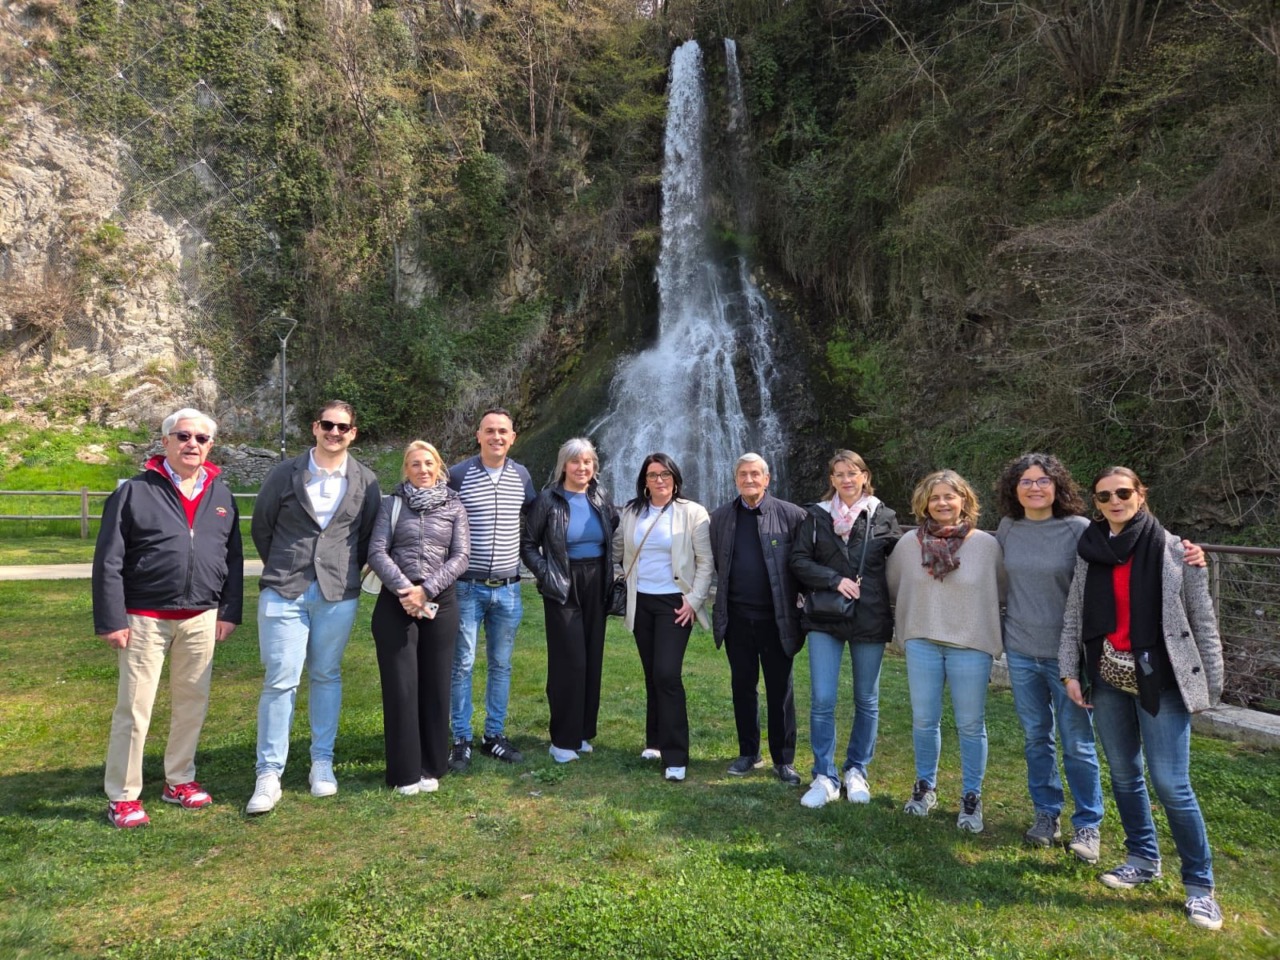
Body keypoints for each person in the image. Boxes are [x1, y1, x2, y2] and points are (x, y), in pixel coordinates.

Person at [997, 452, 1205, 862]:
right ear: (1014, 488)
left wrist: (1189, 553)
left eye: (1043, 480)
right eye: (1026, 481)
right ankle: (1046, 813)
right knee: (1037, 739)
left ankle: (1088, 823)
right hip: (1023, 651)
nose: (1035, 487)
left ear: (1058, 487)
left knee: (1078, 743)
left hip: (1074, 658)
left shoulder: (1080, 531)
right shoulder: (1007, 529)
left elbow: (1133, 553)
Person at [1060, 467, 1225, 931]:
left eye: (1123, 493)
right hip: (1107, 675)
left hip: (1164, 681)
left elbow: (1203, 620)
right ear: (1096, 502)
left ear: (1140, 494)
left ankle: (1199, 887)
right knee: (1125, 774)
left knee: (1171, 783)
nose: (1115, 501)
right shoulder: (1090, 550)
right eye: (1105, 496)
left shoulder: (1177, 551)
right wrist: (1069, 670)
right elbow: (1074, 614)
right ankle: (1142, 859)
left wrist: (1210, 684)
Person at [93, 408, 243, 828]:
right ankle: (123, 795)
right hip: (144, 617)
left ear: (210, 446)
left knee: (192, 704)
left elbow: (232, 558)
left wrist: (229, 611)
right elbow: (108, 559)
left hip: (201, 616)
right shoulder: (134, 492)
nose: (191, 444)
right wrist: (111, 618)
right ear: (165, 443)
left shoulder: (221, 494)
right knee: (135, 709)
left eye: (200, 438)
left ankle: (179, 780)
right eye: (182, 436)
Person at [246, 401, 381, 814]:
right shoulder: (284, 473)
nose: (334, 432)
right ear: (315, 428)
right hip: (285, 590)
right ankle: (269, 773)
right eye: (328, 425)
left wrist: (341, 572)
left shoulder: (366, 480)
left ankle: (322, 762)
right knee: (280, 680)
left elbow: (368, 535)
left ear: (353, 433)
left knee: (326, 675)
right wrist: (287, 565)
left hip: (337, 595)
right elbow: (261, 527)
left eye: (343, 427)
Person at [886, 469, 1005, 832]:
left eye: (949, 496)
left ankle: (971, 797)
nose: (942, 503)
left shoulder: (986, 545)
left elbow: (1001, 589)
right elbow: (894, 585)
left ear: (964, 501)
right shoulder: (908, 545)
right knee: (924, 721)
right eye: (935, 497)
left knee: (970, 725)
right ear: (924, 502)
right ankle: (925, 787)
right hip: (922, 639)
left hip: (970, 643)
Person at [790, 451, 902, 808]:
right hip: (826, 615)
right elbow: (798, 561)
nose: (846, 479)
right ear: (832, 480)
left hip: (869, 615)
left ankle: (857, 770)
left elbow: (901, 565)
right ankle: (824, 775)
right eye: (839, 474)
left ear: (865, 476)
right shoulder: (816, 516)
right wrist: (834, 579)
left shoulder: (883, 516)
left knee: (866, 700)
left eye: (852, 473)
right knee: (823, 699)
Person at [366, 441, 469, 794]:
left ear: (439, 467)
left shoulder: (455, 506)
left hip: (441, 601)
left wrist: (427, 591)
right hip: (396, 603)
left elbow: (460, 556)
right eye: (414, 464)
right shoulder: (391, 504)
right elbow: (377, 551)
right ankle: (404, 772)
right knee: (402, 686)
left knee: (436, 684)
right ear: (405, 470)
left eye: (428, 463)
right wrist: (406, 589)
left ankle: (433, 765)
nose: (422, 469)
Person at [708, 453, 807, 786]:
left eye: (755, 474)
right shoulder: (720, 517)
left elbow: (803, 564)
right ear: (735, 479)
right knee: (742, 687)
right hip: (737, 618)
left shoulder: (792, 516)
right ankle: (748, 752)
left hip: (777, 619)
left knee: (781, 690)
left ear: (767, 478)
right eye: (742, 475)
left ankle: (784, 759)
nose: (748, 480)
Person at [446, 409, 537, 771]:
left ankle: (494, 735)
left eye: (503, 431)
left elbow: (536, 516)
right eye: (490, 431)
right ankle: (461, 739)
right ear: (478, 435)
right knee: (462, 664)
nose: (496, 437)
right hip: (467, 587)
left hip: (509, 589)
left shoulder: (522, 476)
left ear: (512, 437)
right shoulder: (459, 475)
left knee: (501, 664)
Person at [614, 453, 713, 782]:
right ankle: (654, 741)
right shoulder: (631, 512)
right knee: (651, 673)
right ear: (644, 479)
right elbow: (617, 553)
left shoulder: (693, 512)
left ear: (675, 479)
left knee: (667, 674)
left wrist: (694, 600)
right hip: (640, 602)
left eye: (665, 475)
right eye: (653, 475)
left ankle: (676, 755)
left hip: (675, 603)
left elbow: (705, 562)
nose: (659, 480)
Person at [521, 438, 619, 762]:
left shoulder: (600, 496)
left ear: (594, 467)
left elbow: (613, 528)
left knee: (592, 659)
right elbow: (528, 544)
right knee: (569, 661)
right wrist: (547, 574)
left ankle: (582, 733)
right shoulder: (548, 500)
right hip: (562, 583)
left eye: (588, 462)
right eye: (576, 462)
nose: (582, 468)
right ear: (564, 465)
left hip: (597, 583)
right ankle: (561, 740)